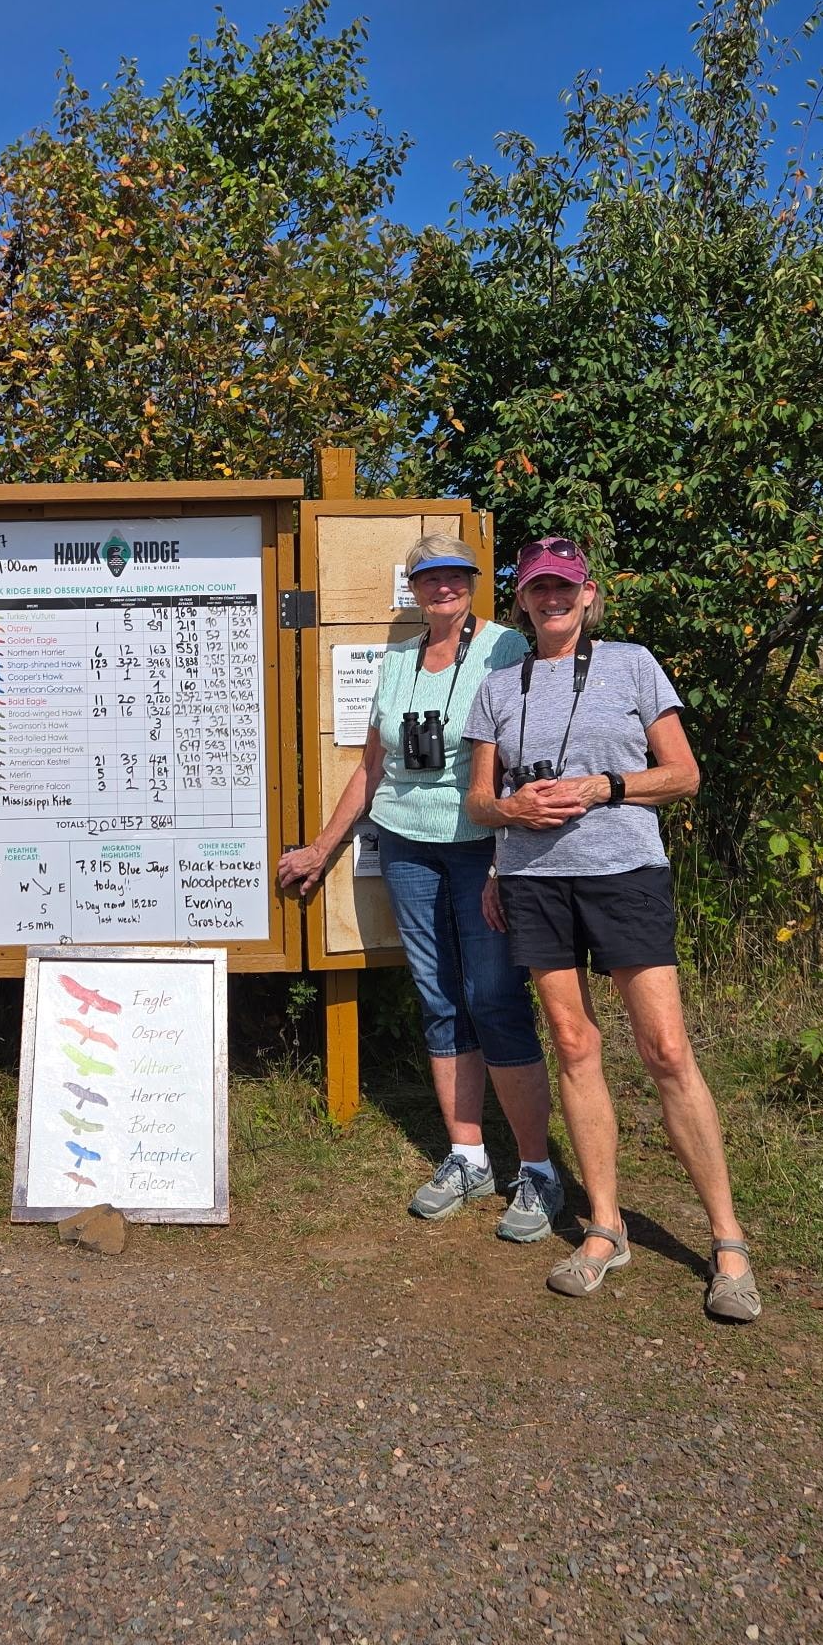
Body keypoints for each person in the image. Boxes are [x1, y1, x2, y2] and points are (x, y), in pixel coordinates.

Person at [464, 535, 761, 1321]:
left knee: (665, 1048)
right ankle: (604, 1228)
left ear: (589, 594)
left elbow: (684, 774)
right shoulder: (498, 685)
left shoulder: (632, 664)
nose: (552, 600)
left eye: (565, 587)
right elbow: (478, 801)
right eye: (537, 590)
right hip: (533, 880)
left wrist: (607, 785)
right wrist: (511, 818)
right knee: (573, 1043)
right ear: (521, 601)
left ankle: (727, 1241)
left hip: (625, 874)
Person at [278, 531, 564, 1242]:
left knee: (495, 999)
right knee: (439, 999)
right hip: (406, 847)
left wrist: (507, 855)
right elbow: (373, 767)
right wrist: (322, 846)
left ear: (472, 582)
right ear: (413, 588)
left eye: (456, 576)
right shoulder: (398, 659)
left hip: (482, 847)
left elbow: (525, 753)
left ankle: (536, 1168)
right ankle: (467, 1155)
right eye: (430, 577)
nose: (444, 588)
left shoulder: (504, 648)